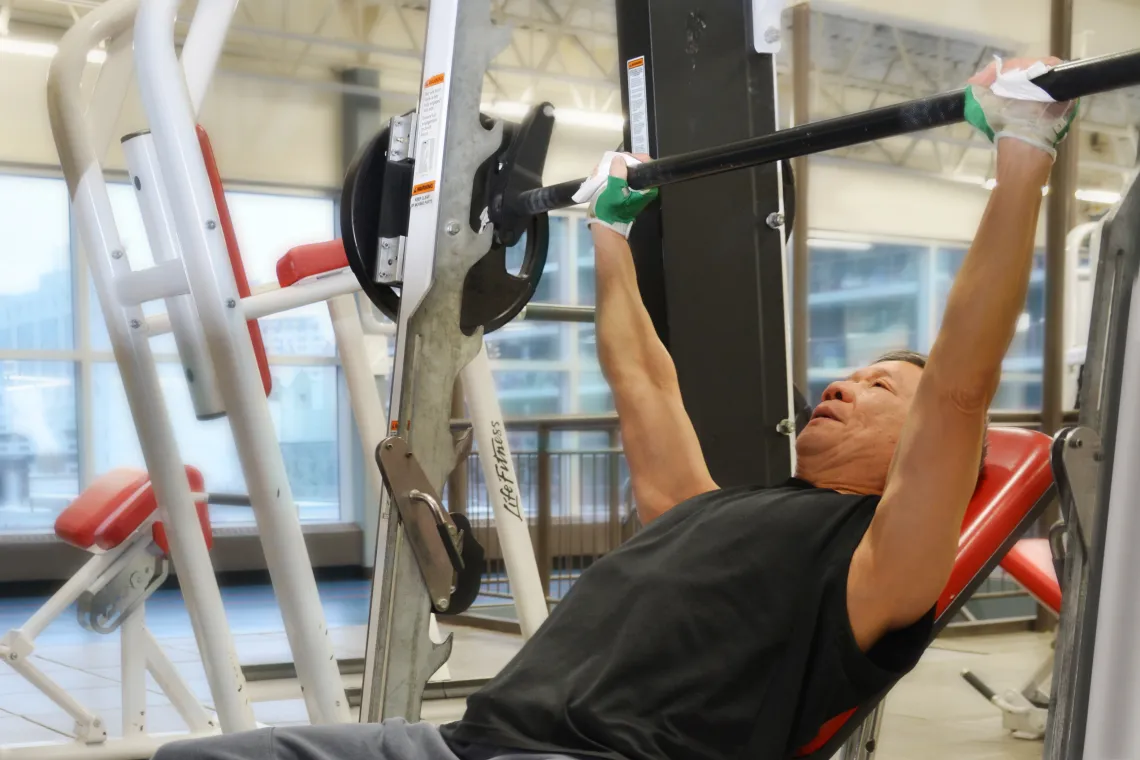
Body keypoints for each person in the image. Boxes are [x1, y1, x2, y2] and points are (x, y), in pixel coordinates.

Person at [156, 57, 1077, 760]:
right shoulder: (707, 507)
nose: (840, 386)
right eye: (852, 374)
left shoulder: (878, 566)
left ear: (923, 454)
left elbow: (960, 389)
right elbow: (643, 381)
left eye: (881, 389)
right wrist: (609, 231)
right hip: (460, 744)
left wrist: (1022, 157)